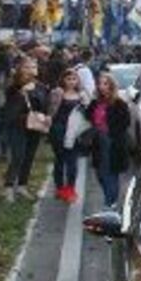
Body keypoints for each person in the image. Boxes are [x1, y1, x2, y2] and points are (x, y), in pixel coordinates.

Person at [0, 56, 48, 202]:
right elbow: (9, 110)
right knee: (18, 156)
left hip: (34, 127)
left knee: (29, 157)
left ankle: (22, 186)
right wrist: (21, 93)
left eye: (34, 67)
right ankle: (8, 187)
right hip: (17, 126)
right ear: (20, 69)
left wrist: (45, 117)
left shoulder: (40, 86)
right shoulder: (13, 87)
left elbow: (43, 106)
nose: (31, 70)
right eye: (27, 67)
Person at [86, 71, 131, 207]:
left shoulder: (119, 103)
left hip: (112, 141)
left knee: (111, 173)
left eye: (105, 83)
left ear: (111, 86)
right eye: (100, 83)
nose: (101, 86)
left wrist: (109, 132)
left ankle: (111, 202)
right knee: (100, 173)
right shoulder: (95, 102)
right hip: (98, 140)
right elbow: (88, 116)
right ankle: (110, 199)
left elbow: (125, 123)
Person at [47, 68, 88, 203]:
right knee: (59, 160)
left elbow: (88, 112)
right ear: (63, 80)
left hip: (75, 132)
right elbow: (51, 111)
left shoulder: (82, 94)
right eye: (68, 79)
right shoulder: (57, 92)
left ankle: (70, 189)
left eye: (74, 79)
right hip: (58, 130)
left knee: (72, 162)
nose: (71, 82)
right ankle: (59, 189)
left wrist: (85, 102)